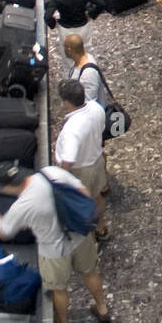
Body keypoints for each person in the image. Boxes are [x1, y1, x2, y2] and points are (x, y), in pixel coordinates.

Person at [0, 161, 110, 323]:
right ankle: (102, 308)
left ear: (6, 188)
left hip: (54, 251)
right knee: (90, 272)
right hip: (80, 236)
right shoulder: (50, 173)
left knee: (60, 290)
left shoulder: (23, 206)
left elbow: (3, 230)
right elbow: (83, 192)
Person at [54, 79, 109, 241]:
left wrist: (62, 179)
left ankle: (88, 239)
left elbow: (69, 159)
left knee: (82, 205)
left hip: (81, 171)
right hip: (96, 160)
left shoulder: (72, 130)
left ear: (66, 102)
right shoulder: (96, 108)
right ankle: (101, 228)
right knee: (96, 196)